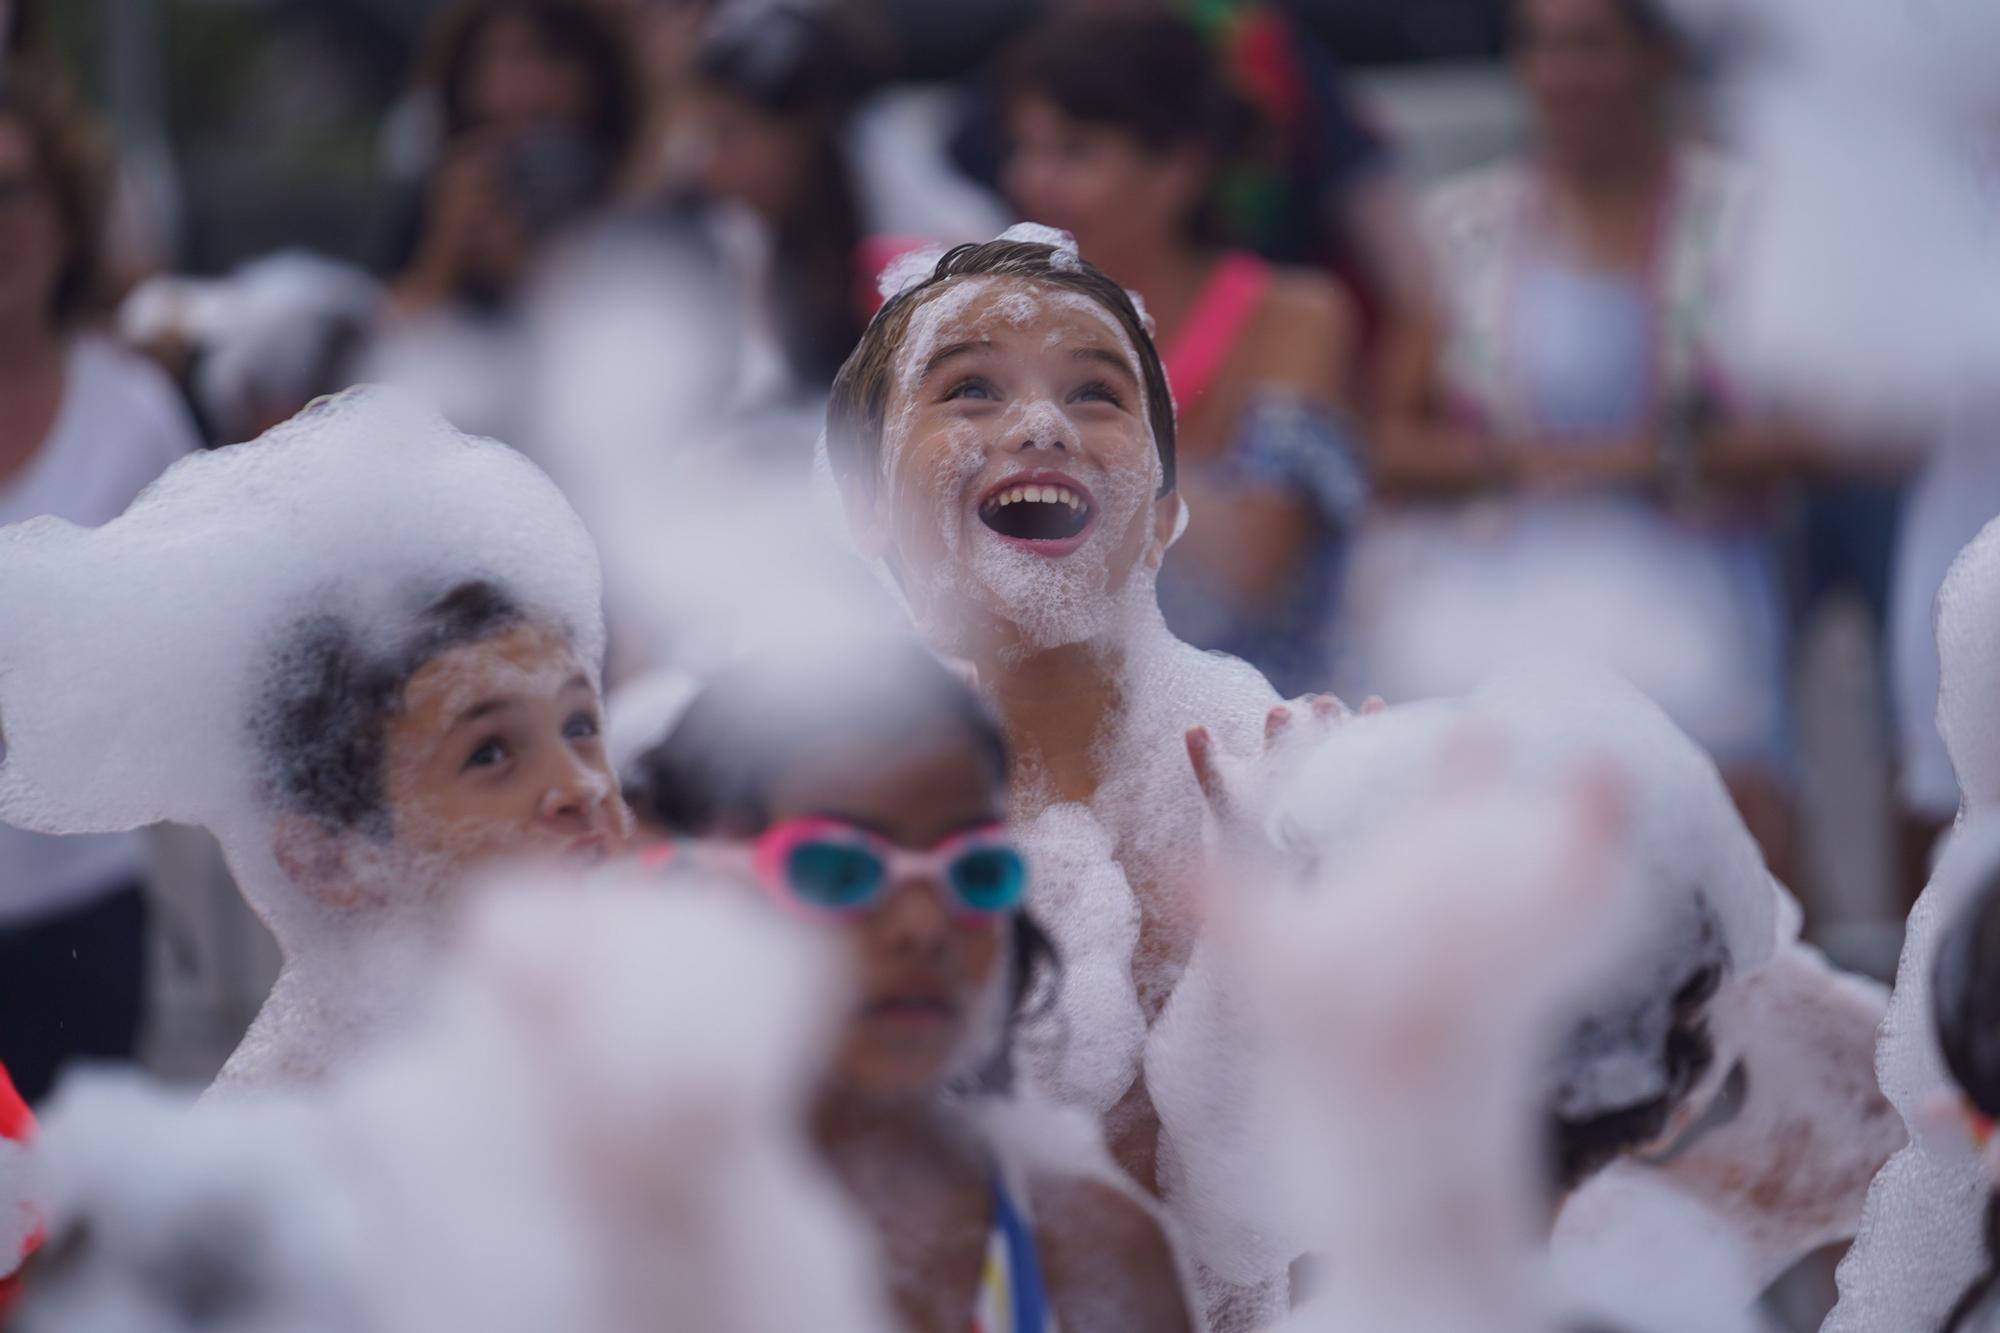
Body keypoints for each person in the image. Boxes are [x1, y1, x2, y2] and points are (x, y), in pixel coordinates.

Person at [825, 229, 1307, 1328]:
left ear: (1166, 516)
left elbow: (1320, 1216)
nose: (1039, 423)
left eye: (1095, 393)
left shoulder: (1260, 774)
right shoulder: (812, 803)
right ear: (859, 504)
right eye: (971, 389)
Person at [1356, 0, 1814, 886]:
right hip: (1497, 573)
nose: (1560, 73)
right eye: (1540, 47)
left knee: (1729, 838)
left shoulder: (1742, 215)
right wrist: (1516, 464)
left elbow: (1823, 428)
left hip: (1694, 564)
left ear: (1656, 59)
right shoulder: (1462, 224)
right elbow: (1390, 438)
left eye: (1588, 45)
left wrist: (1645, 460)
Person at [633, 640, 1197, 1333]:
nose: (924, 926)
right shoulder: (595, 1249)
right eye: (839, 870)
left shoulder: (1090, 1259)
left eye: (974, 870)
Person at [1004, 11, 1364, 694]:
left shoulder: (1294, 317)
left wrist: (1083, 409)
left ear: (1177, 170)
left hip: (1269, 712)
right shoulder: (1016, 323)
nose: (1034, 183)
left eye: (1074, 152)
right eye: (1026, 149)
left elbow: (1253, 569)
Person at [0, 67, 200, 1104]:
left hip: (79, 901)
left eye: (12, 191)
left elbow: (188, 649)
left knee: (72, 1231)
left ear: (67, 214)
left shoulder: (135, 412)